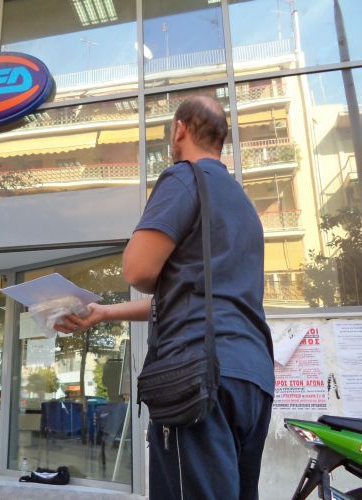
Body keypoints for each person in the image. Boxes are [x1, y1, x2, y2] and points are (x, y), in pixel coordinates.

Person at [56, 96, 274, 500]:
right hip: (252, 378)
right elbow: (190, 293)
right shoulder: (243, 204)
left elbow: (137, 270)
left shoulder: (184, 177)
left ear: (179, 130)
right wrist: (105, 313)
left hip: (198, 373)